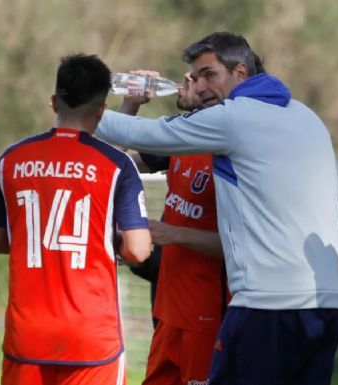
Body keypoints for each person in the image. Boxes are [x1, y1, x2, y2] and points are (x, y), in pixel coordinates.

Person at [96, 32, 338, 385]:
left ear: (241, 73)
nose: (198, 85)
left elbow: (145, 133)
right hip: (323, 303)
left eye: (208, 75)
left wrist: (82, 109)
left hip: (265, 304)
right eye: (194, 76)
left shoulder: (234, 118)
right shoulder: (306, 117)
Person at [0, 54, 152, 385]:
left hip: (26, 334)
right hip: (91, 338)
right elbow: (138, 250)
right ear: (102, 109)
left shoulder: (12, 159)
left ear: (54, 102)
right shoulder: (118, 166)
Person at [117, 69, 229, 385]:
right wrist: (130, 106)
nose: (186, 76)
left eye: (199, 72)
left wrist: (174, 234)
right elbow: (111, 160)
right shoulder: (180, 138)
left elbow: (244, 243)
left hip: (209, 319)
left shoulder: (232, 152)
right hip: (167, 313)